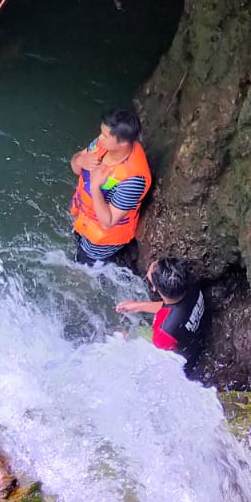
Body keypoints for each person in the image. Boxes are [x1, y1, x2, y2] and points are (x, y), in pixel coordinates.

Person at [69, 107, 152, 268]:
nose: (100, 137)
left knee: (81, 271)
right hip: (83, 219)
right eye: (101, 132)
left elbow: (108, 222)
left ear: (122, 143)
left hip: (100, 242)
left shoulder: (133, 180)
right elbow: (74, 165)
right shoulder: (101, 145)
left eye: (105, 135)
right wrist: (80, 161)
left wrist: (95, 187)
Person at [116, 258, 206, 364]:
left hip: (180, 355)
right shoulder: (190, 284)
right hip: (194, 333)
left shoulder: (163, 331)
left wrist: (128, 341)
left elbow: (156, 358)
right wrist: (138, 306)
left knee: (119, 333)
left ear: (154, 288)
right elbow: (173, 308)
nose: (153, 263)